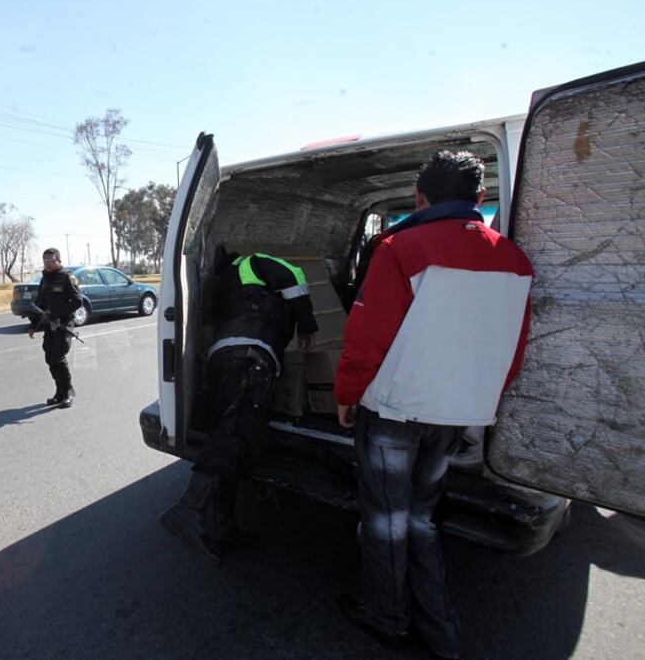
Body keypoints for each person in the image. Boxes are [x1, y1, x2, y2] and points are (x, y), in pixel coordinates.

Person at [333, 150, 533, 659]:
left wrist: (347, 396)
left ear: (420, 197)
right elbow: (512, 348)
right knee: (421, 517)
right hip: (457, 415)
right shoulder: (515, 261)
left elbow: (366, 338)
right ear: (480, 198)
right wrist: (479, 401)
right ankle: (443, 633)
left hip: (396, 413)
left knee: (386, 522)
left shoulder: (401, 247)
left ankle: (388, 619)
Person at [160, 247, 318, 566]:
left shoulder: (225, 283)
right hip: (251, 354)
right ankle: (189, 509)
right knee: (235, 434)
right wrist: (308, 324)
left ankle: (221, 526)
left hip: (225, 355)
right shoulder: (255, 261)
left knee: (236, 441)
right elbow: (291, 277)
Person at [27, 248, 82, 408]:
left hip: (63, 324)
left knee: (58, 357)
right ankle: (59, 392)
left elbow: (78, 301)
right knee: (50, 358)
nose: (48, 263)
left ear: (58, 260)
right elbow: (40, 304)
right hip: (49, 325)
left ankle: (68, 391)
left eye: (51, 260)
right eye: (45, 260)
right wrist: (33, 325)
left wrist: (57, 313)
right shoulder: (44, 279)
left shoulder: (67, 277)